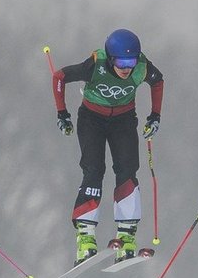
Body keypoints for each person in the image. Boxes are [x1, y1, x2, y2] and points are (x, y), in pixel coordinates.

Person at [51, 28, 164, 265]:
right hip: (92, 119)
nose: (126, 68)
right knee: (94, 171)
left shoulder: (142, 67)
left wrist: (155, 116)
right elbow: (59, 77)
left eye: (131, 61)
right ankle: (85, 236)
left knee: (127, 171)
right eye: (121, 62)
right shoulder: (96, 64)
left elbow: (158, 81)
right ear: (111, 58)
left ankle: (126, 234)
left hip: (123, 121)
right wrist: (62, 114)